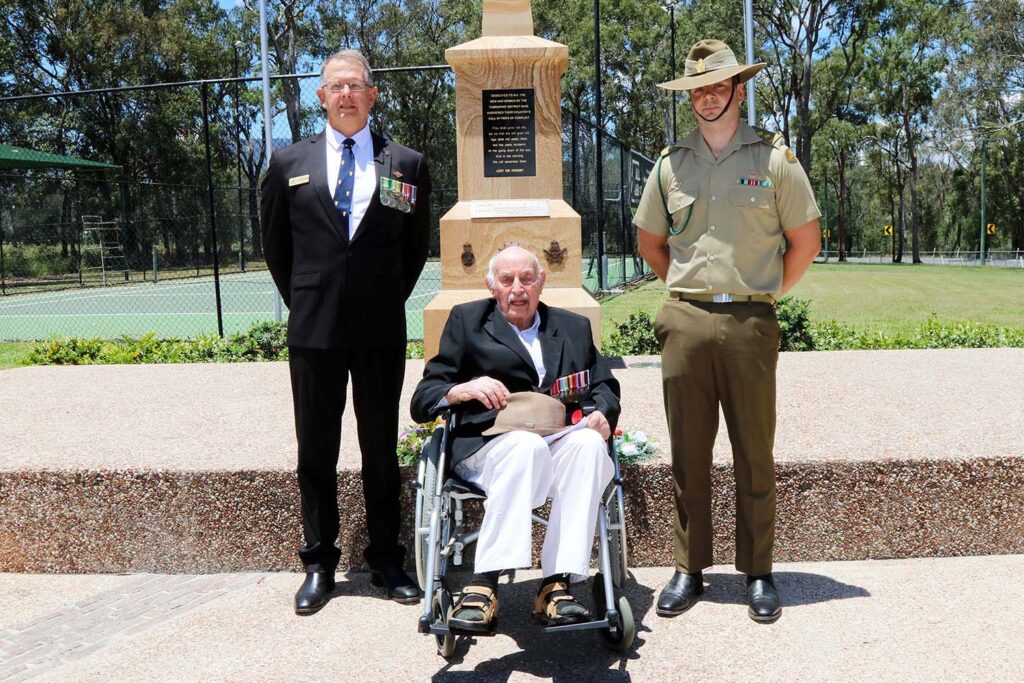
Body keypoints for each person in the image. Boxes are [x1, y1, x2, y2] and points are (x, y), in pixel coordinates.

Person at [633, 39, 821, 623]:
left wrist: (760, 294)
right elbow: (651, 244)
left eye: (718, 86)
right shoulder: (670, 164)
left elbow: (805, 242)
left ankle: (758, 571)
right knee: (688, 453)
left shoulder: (774, 161)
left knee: (753, 451)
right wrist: (692, 291)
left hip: (749, 322)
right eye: (698, 89)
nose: (707, 96)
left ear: (738, 90)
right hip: (686, 320)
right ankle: (689, 568)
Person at [261, 49, 431, 615]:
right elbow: (276, 249)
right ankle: (318, 564)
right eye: (337, 86)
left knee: (380, 446)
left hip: (380, 328)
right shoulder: (288, 164)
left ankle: (387, 559)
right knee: (316, 448)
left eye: (357, 85)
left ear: (373, 94)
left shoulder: (405, 163)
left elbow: (413, 252)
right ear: (321, 96)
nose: (347, 95)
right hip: (313, 330)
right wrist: (311, 299)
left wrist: (377, 298)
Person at [410, 246, 621, 632]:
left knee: (589, 446)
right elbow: (425, 397)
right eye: (507, 280)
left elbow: (604, 387)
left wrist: (601, 415)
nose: (517, 289)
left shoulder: (572, 327)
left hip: (556, 441)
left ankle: (556, 585)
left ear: (541, 282)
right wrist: (463, 389)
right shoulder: (467, 321)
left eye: (527, 278)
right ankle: (484, 583)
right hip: (489, 447)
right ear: (493, 286)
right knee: (524, 446)